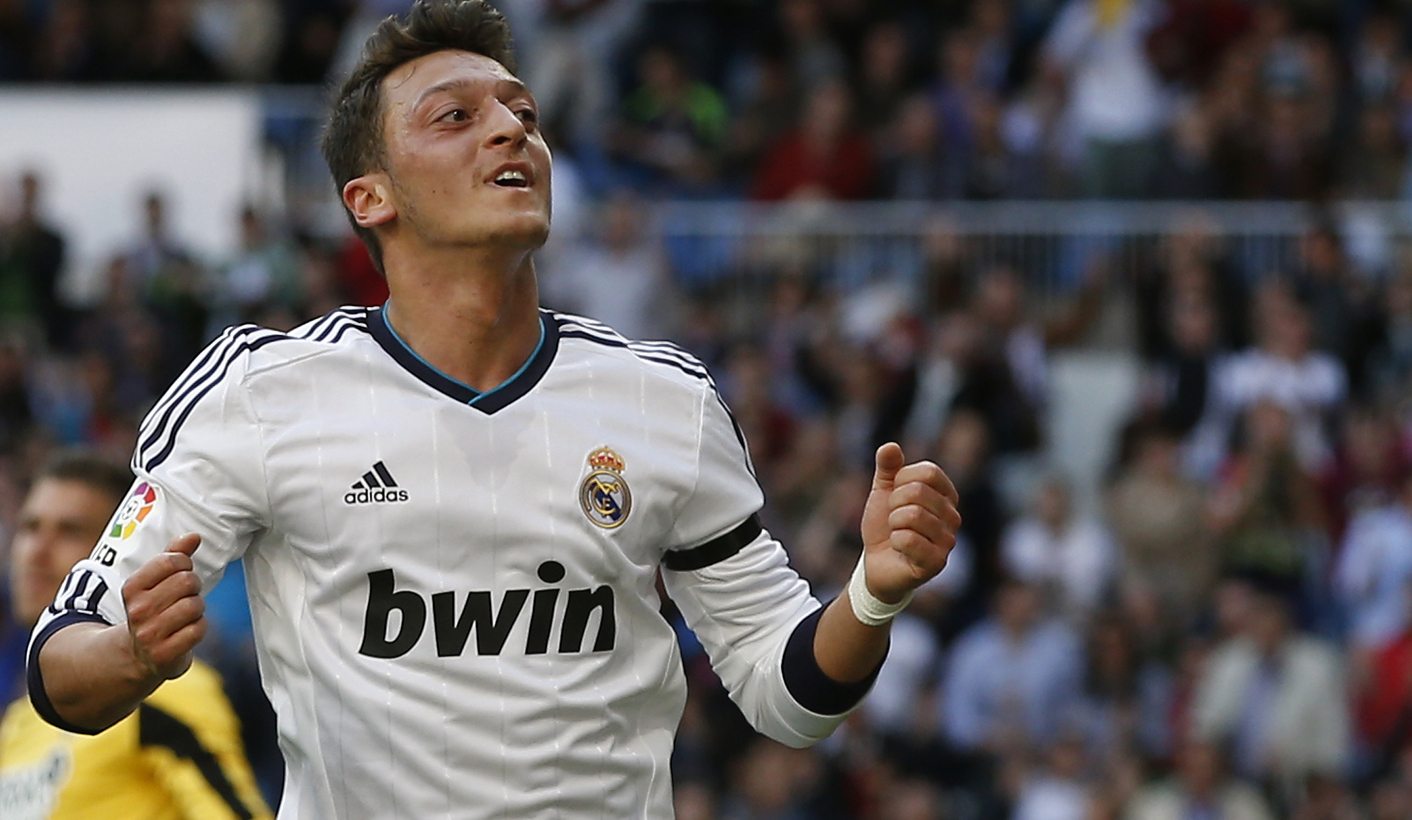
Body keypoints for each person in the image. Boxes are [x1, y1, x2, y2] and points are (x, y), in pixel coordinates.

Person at [27, 2, 961, 817]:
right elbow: (60, 665)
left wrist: (875, 590)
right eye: (457, 118)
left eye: (525, 114)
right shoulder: (259, 392)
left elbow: (786, 695)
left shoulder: (663, 401)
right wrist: (134, 657)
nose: (512, 131)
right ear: (370, 197)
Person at [1, 450, 269, 819]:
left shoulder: (165, 689)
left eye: (70, 531)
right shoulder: (16, 723)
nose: (37, 552)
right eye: (29, 528)